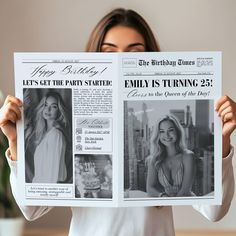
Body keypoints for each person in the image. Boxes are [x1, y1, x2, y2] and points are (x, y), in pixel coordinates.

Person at [0, 8, 235, 236]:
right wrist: (14, 140)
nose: (121, 61)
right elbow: (32, 210)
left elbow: (214, 212)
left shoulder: (173, 155)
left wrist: (223, 140)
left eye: (134, 53)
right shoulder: (66, 133)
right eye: (109, 53)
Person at [147, 115, 195, 197]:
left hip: (186, 203)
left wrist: (170, 201)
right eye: (162, 131)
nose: (167, 135)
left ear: (177, 131)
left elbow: (185, 191)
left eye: (170, 130)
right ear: (158, 135)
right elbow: (149, 188)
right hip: (167, 202)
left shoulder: (188, 156)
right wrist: (162, 196)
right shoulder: (155, 159)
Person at [26, 90, 69, 183]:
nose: (48, 109)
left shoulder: (56, 135)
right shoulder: (45, 135)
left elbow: (52, 176)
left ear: (59, 111)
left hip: (46, 192)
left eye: (53, 106)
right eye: (45, 105)